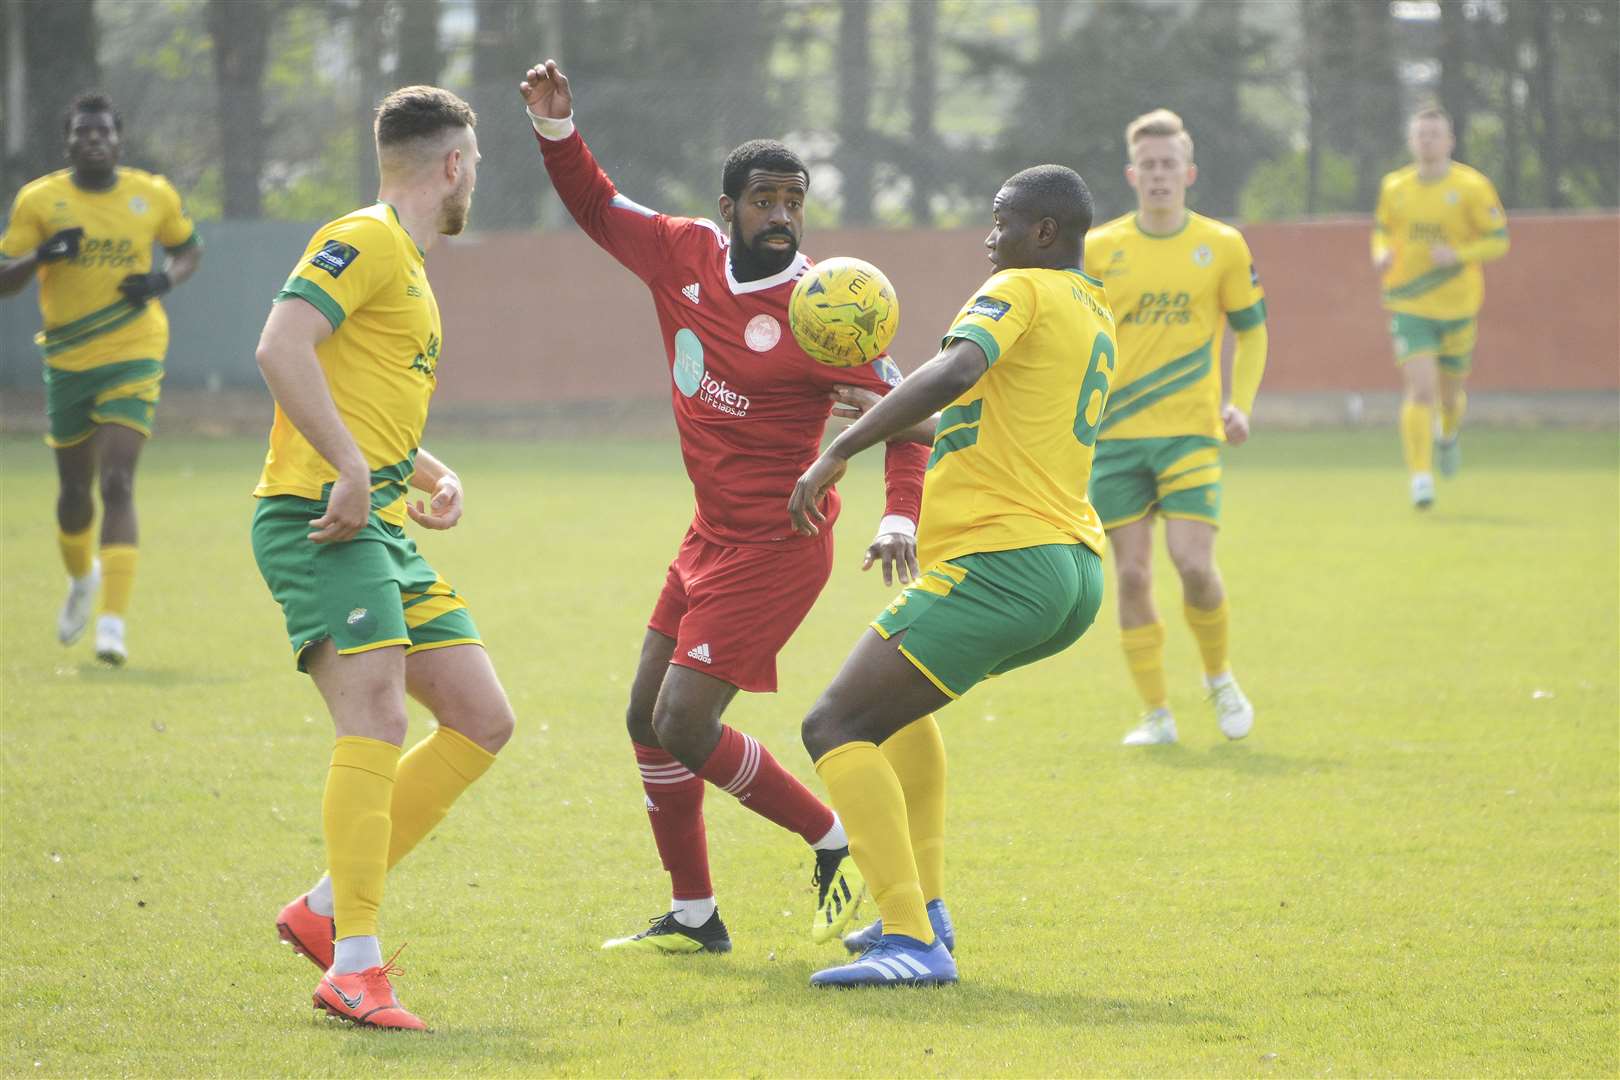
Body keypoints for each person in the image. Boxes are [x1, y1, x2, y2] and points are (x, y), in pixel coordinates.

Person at [520, 58, 928, 954]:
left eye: (795, 200)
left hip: (778, 546)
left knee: (681, 722)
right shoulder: (682, 254)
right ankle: (697, 914)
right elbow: (597, 207)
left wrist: (899, 514)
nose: (781, 215)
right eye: (764, 199)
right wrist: (557, 130)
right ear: (729, 207)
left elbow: (913, 414)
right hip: (708, 535)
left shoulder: (828, 309)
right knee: (644, 718)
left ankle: (832, 838)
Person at [789, 163, 1116, 987]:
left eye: (1001, 220)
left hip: (1003, 563)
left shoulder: (1018, 289)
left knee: (832, 726)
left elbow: (958, 369)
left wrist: (837, 453)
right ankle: (923, 911)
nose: (989, 237)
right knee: (892, 718)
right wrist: (892, 416)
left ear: (1043, 232)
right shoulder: (1092, 307)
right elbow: (985, 416)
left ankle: (912, 939)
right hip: (1069, 570)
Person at [252, 86, 516, 1032]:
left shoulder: (405, 257)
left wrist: (422, 471)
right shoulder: (361, 236)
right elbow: (282, 346)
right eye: (475, 164)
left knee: (482, 718)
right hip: (315, 515)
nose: (475, 179)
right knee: (374, 713)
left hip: (379, 522)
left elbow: (354, 384)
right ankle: (354, 965)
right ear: (451, 164)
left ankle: (323, 908)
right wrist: (355, 469)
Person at [1082, 108, 1267, 747]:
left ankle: (1218, 676)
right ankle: (1157, 714)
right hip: (1114, 439)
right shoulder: (1099, 249)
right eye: (1149, 167)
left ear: (1187, 172)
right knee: (1131, 575)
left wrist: (1240, 402)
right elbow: (1076, 335)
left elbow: (1252, 330)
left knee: (1192, 565)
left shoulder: (1222, 245)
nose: (1159, 176)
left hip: (1191, 431)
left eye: (1170, 166)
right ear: (1133, 175)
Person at [0, 92, 202, 666]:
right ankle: (81, 579)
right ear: (68, 141)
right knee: (72, 493)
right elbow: (3, 280)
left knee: (117, 482)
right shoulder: (39, 200)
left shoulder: (152, 194)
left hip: (135, 350)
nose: (94, 140)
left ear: (119, 140)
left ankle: (112, 624)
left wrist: (164, 282)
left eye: (104, 132)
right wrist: (40, 256)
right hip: (66, 359)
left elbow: (189, 251)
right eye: (82, 133)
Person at [1373, 105, 1509, 508]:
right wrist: (1380, 254)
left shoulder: (1472, 187)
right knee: (1420, 391)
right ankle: (1420, 477)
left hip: (1458, 305)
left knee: (1449, 397)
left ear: (1450, 141)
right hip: (1409, 302)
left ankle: (1447, 433)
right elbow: (1382, 230)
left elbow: (1499, 240)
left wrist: (1460, 254)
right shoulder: (1394, 186)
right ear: (1411, 141)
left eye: (1435, 134)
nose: (1427, 141)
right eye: (1420, 135)